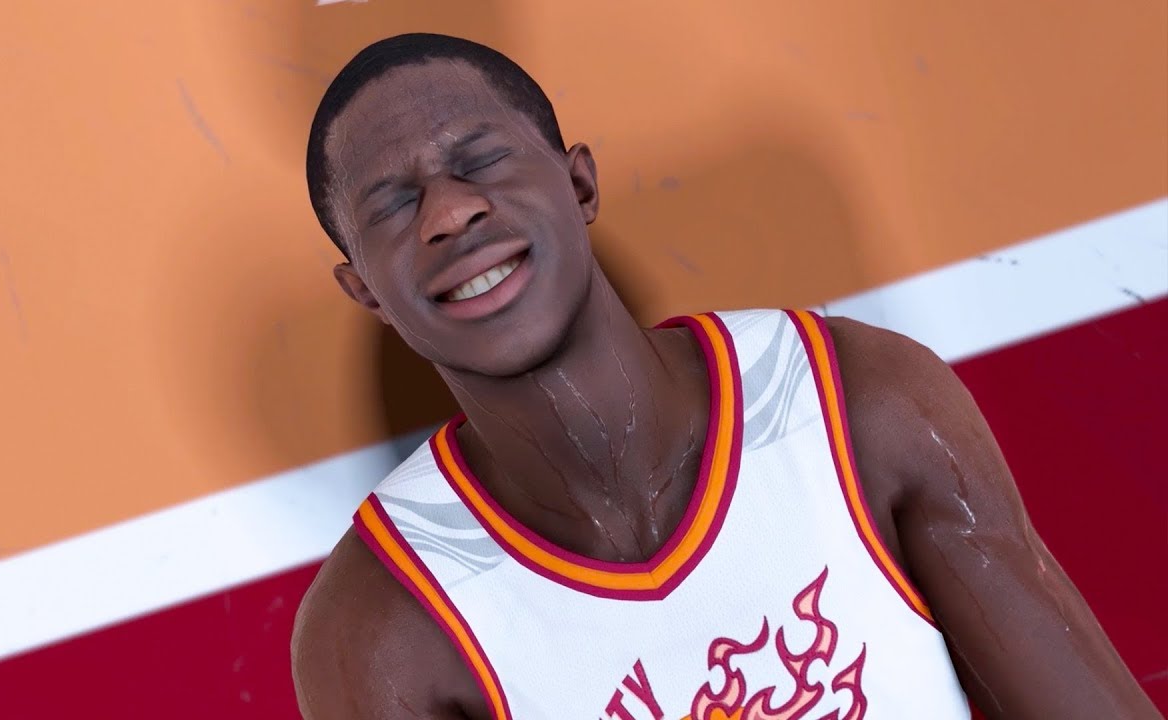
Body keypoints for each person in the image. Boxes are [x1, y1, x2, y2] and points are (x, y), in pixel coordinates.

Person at [289, 33, 1157, 720]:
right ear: (365, 291)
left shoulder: (858, 400)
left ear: (580, 184)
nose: (449, 211)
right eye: (393, 204)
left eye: (479, 160)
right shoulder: (383, 623)